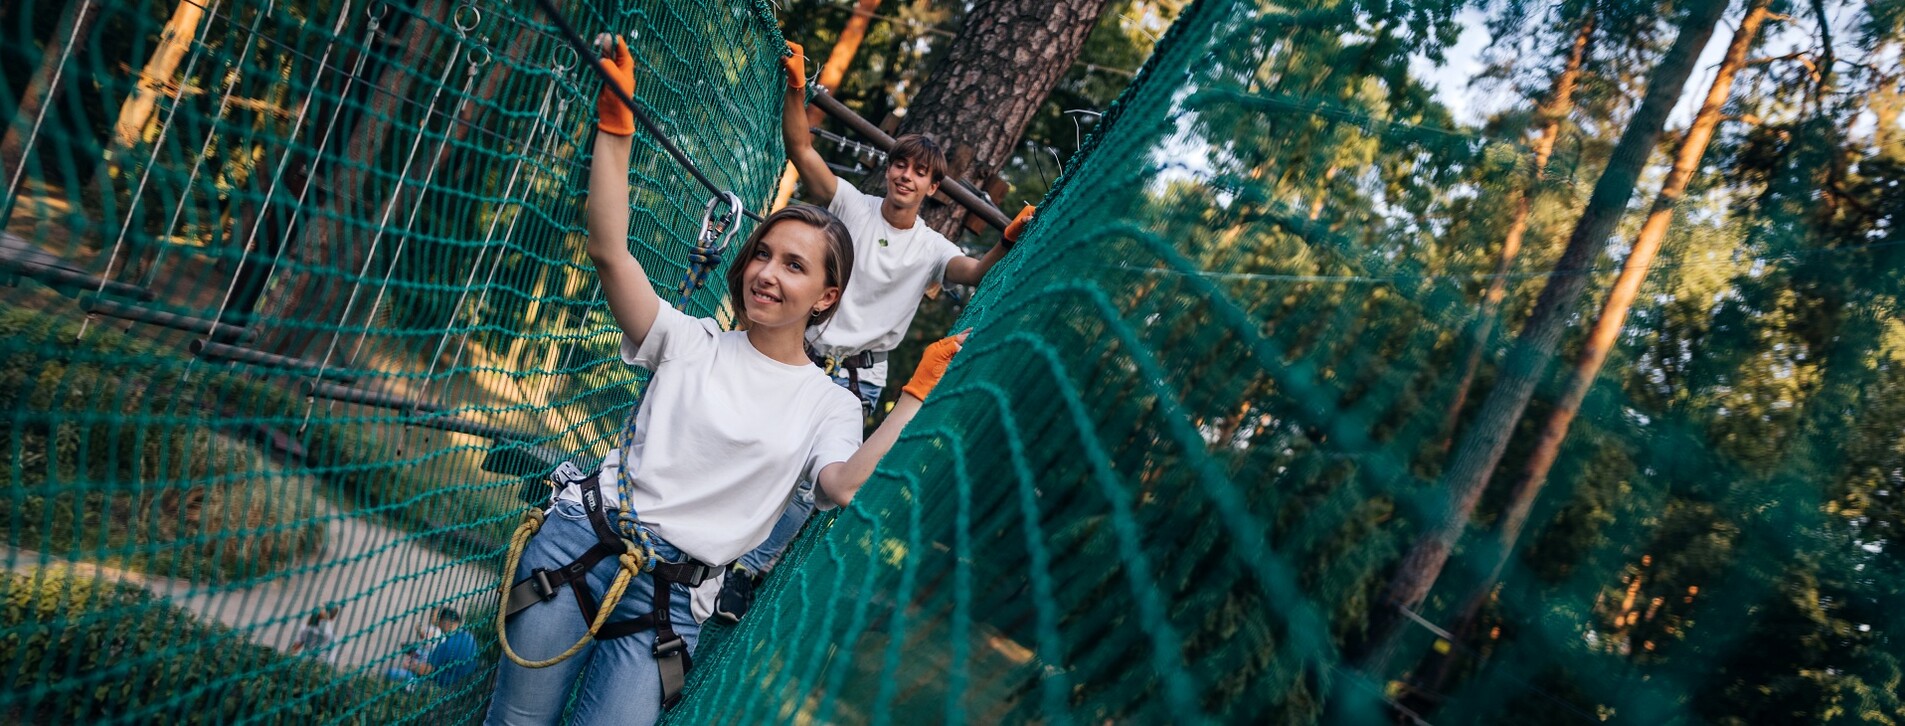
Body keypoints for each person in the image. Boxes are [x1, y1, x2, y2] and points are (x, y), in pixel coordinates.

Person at [482, 35, 968, 726]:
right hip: (580, 546)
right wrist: (616, 127)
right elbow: (609, 252)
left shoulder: (829, 405)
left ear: (827, 296)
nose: (767, 272)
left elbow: (842, 485)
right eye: (762, 254)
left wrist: (914, 395)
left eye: (794, 266)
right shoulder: (690, 340)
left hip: (671, 601)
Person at [703, 40, 1034, 624]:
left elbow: (975, 273)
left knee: (818, 482)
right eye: (902, 164)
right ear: (890, 168)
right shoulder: (851, 206)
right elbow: (801, 148)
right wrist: (798, 92)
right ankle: (714, 538)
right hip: (805, 352)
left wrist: (1006, 243)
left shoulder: (932, 248)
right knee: (758, 442)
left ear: (933, 189)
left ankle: (747, 572)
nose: (907, 176)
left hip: (859, 375)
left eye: (921, 172)